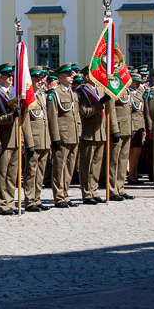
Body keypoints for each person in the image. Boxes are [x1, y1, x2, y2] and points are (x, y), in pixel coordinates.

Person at [76, 68, 111, 205]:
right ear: (87, 76)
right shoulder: (82, 91)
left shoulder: (100, 89)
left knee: (96, 164)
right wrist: (100, 103)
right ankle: (86, 193)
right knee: (86, 165)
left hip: (99, 132)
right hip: (88, 133)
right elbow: (85, 111)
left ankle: (94, 190)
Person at [48, 64, 81, 207]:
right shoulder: (54, 93)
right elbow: (53, 117)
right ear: (60, 77)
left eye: (72, 75)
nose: (71, 77)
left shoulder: (72, 93)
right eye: (68, 75)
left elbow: (76, 115)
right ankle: (59, 196)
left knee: (69, 167)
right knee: (59, 167)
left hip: (73, 134)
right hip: (62, 136)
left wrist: (78, 132)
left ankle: (65, 194)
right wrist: (55, 137)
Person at [0, 63, 21, 215]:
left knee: (12, 174)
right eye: (8, 75)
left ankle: (10, 201)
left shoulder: (13, 94)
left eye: (12, 76)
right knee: (2, 173)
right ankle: (2, 203)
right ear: (0, 77)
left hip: (15, 137)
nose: (10, 78)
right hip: (4, 138)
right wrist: (11, 116)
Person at [22, 67, 51, 212]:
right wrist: (29, 141)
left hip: (44, 139)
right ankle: (29, 200)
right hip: (34, 139)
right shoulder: (27, 95)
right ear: (30, 79)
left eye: (41, 80)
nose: (41, 82)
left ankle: (37, 198)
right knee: (31, 171)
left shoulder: (40, 95)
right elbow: (26, 121)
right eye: (38, 80)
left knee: (40, 171)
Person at [109, 74, 136, 201]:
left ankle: (120, 187)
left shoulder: (126, 89)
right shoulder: (113, 88)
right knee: (114, 160)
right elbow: (111, 109)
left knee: (123, 160)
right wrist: (114, 128)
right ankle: (112, 189)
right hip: (118, 128)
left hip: (126, 128)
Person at [127, 74, 146, 185]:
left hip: (139, 124)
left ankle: (134, 173)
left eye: (139, 82)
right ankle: (131, 175)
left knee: (138, 151)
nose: (138, 84)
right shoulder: (128, 93)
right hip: (132, 124)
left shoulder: (139, 93)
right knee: (134, 151)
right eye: (136, 82)